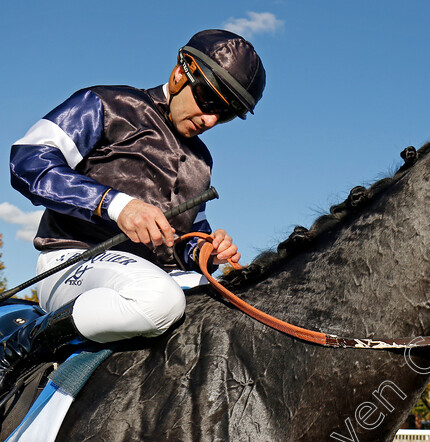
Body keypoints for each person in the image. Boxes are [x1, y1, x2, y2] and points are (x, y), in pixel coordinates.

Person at [1, 29, 266, 393]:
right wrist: (115, 205)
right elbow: (28, 160)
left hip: (153, 276)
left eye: (227, 114)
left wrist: (203, 249)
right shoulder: (106, 103)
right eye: (209, 100)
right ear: (179, 73)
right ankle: (19, 346)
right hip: (72, 261)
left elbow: (182, 237)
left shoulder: (202, 161)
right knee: (157, 298)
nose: (210, 120)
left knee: (238, 302)